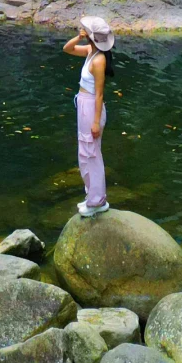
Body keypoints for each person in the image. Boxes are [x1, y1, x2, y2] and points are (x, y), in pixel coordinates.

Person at [63, 15, 114, 216]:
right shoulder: (91, 52)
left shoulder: (99, 60)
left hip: (92, 106)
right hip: (83, 104)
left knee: (92, 153)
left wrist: (95, 123)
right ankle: (91, 195)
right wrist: (78, 37)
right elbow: (67, 49)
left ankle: (98, 201)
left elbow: (100, 94)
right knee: (84, 152)